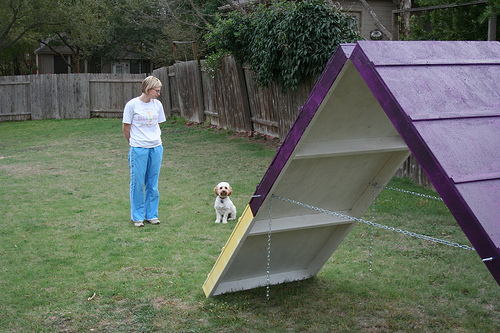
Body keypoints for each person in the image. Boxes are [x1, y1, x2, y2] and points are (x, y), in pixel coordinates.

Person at [122, 75, 166, 227]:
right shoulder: (132, 105)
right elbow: (125, 128)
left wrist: (153, 139)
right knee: (137, 182)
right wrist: (134, 142)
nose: (158, 94)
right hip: (138, 148)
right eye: (157, 91)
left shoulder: (157, 105)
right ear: (148, 89)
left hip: (156, 147)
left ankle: (152, 215)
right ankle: (137, 217)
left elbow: (158, 123)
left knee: (152, 183)